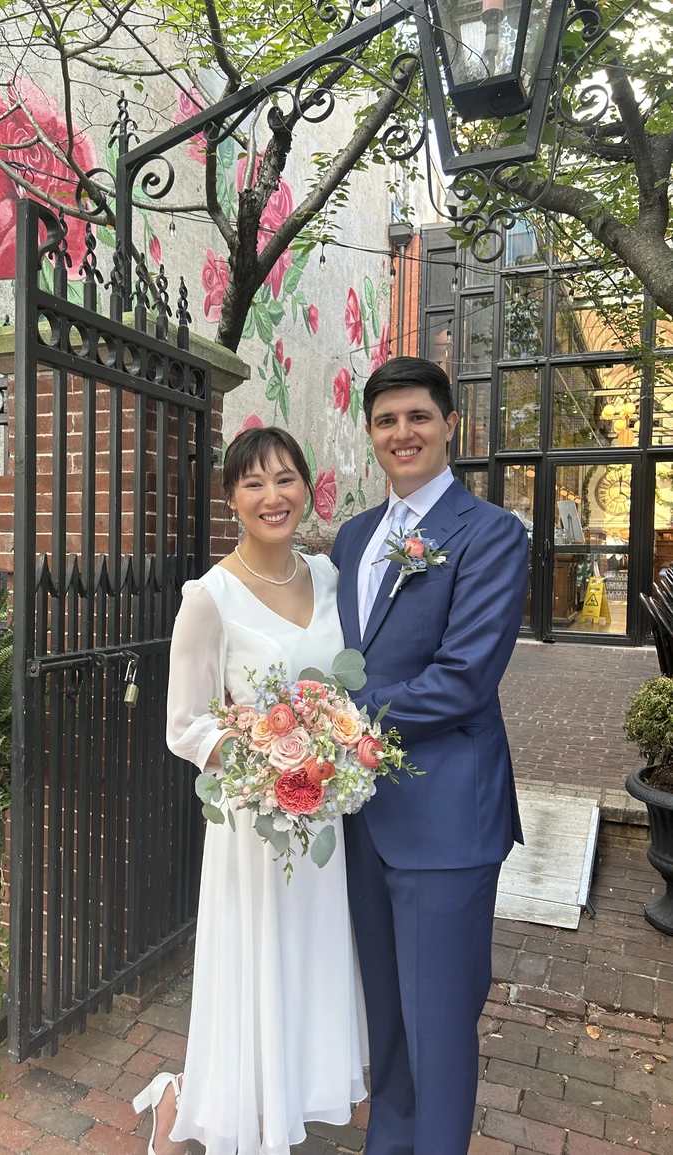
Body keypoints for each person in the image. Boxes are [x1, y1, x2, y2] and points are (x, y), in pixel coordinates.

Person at [133, 426, 367, 1155]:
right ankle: (192, 1099)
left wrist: (334, 738)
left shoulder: (331, 578)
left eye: (286, 478)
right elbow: (184, 723)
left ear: (306, 486)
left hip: (321, 815)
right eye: (255, 482)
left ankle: (282, 1098)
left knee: (307, 962)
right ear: (232, 497)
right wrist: (257, 753)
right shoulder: (211, 597)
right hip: (251, 822)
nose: (274, 495)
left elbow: (350, 690)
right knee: (250, 968)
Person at [330, 356, 529, 1155]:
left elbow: (464, 678)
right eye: (385, 420)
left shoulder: (489, 535)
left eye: (418, 416)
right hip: (363, 815)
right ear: (371, 434)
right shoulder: (351, 537)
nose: (402, 432)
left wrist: (336, 722)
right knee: (388, 1013)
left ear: (452, 426)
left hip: (447, 816)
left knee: (439, 1025)